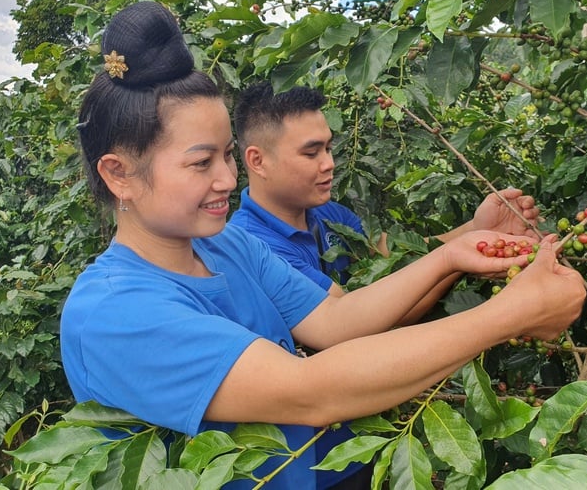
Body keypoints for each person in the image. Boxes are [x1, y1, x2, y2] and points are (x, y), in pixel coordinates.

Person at [60, 0, 587, 490]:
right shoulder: (114, 314)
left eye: (226, 156)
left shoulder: (224, 248)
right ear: (119, 174)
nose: (226, 179)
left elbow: (336, 322)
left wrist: (451, 254)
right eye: (201, 163)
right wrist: (511, 314)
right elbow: (312, 391)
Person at [231, 82, 542, 323]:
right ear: (258, 161)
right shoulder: (252, 245)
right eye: (311, 153)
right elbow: (360, 325)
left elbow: (396, 255)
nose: (329, 163)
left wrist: (475, 229)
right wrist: (459, 258)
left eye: (328, 148)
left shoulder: (327, 213)